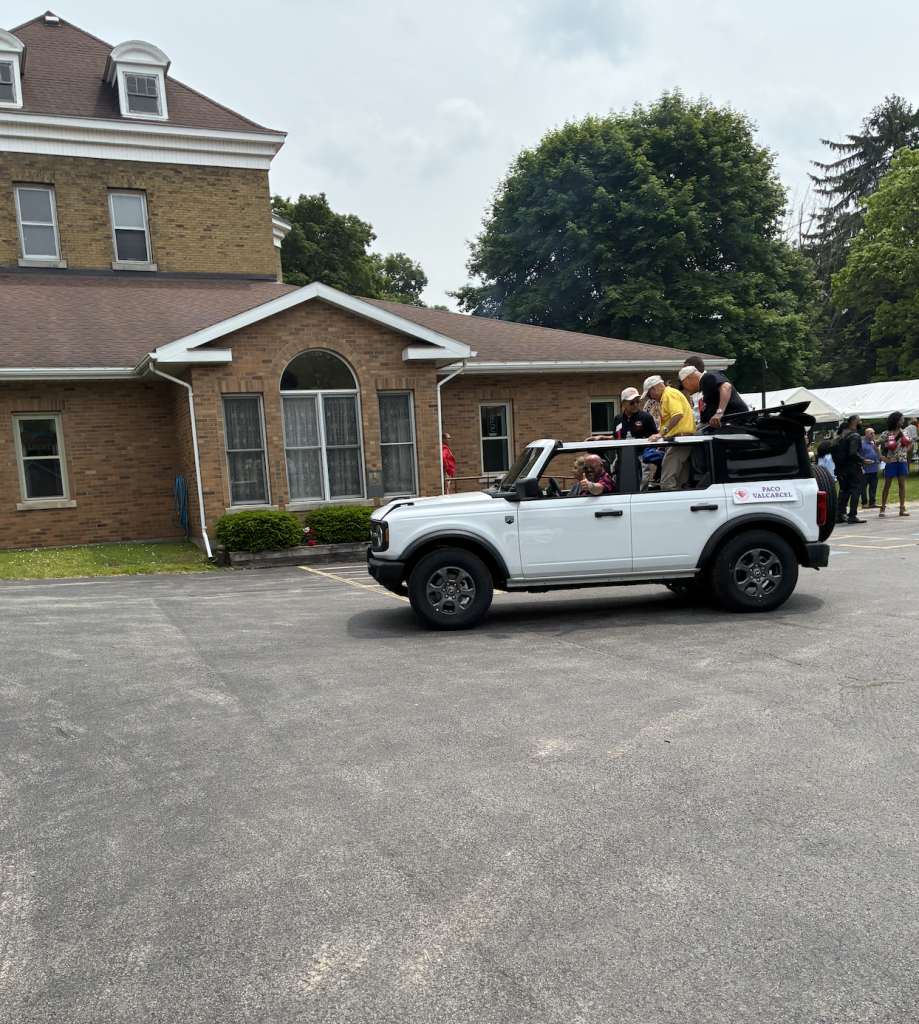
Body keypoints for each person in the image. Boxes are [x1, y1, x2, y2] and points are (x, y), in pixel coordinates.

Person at [641, 375, 696, 490]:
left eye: (649, 395)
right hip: (681, 441)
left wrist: (661, 434)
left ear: (653, 388)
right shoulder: (670, 394)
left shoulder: (669, 394)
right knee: (680, 483)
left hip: (679, 442)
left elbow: (678, 414)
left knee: (667, 483)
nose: (650, 398)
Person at [678, 358, 747, 428]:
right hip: (720, 425)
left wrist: (720, 412)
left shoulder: (707, 377)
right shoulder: (704, 393)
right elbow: (703, 422)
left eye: (683, 385)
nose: (685, 389)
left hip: (735, 421)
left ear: (688, 379)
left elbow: (726, 386)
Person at [877, 411, 913, 517]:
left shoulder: (904, 432)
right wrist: (881, 457)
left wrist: (906, 451)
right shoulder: (886, 434)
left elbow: (911, 442)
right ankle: (882, 507)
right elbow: (876, 444)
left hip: (902, 461)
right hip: (891, 461)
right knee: (887, 485)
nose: (902, 421)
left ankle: (902, 507)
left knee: (902, 484)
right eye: (901, 420)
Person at [834, 414, 867, 525]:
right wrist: (862, 461)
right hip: (852, 467)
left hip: (842, 468)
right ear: (854, 423)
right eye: (860, 421)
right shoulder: (855, 436)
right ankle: (852, 514)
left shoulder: (842, 436)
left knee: (844, 490)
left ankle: (839, 514)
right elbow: (853, 452)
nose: (861, 423)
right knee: (855, 490)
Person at [860, 427, 881, 509]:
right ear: (866, 434)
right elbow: (859, 456)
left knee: (873, 486)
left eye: (874, 433)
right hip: (865, 469)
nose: (873, 434)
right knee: (863, 487)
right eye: (871, 433)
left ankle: (872, 502)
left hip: (874, 468)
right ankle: (864, 502)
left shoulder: (875, 443)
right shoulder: (862, 444)